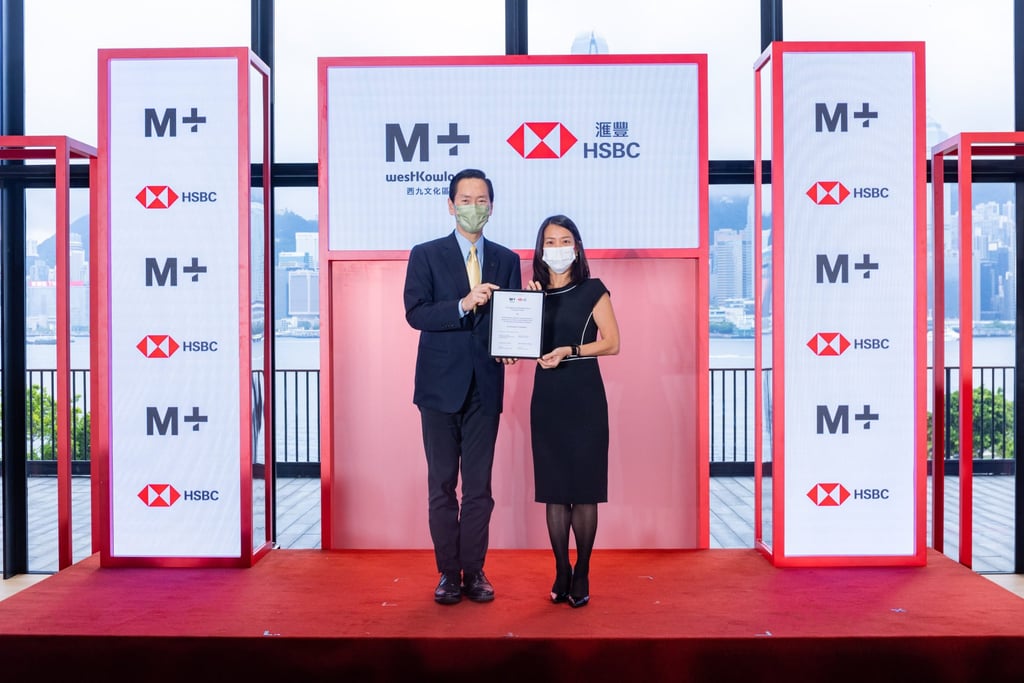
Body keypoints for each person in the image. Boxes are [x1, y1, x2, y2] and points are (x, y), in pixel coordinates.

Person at [403, 169, 522, 605]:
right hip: (437, 388)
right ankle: (447, 574)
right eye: (466, 200)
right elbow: (416, 313)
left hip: (485, 387)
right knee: (441, 485)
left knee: (479, 487)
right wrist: (462, 303)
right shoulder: (426, 255)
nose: (475, 207)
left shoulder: (506, 260)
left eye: (482, 200)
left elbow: (510, 320)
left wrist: (513, 346)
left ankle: (474, 571)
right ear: (451, 206)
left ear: (492, 206)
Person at [526, 214, 620, 608]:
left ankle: (582, 572)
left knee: (583, 494)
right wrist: (523, 309)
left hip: (584, 398)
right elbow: (520, 346)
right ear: (540, 249)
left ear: (577, 247)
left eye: (565, 241)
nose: (558, 248)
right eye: (550, 241)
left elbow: (612, 343)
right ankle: (561, 569)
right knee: (554, 493)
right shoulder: (530, 294)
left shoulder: (593, 290)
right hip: (546, 400)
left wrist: (572, 351)